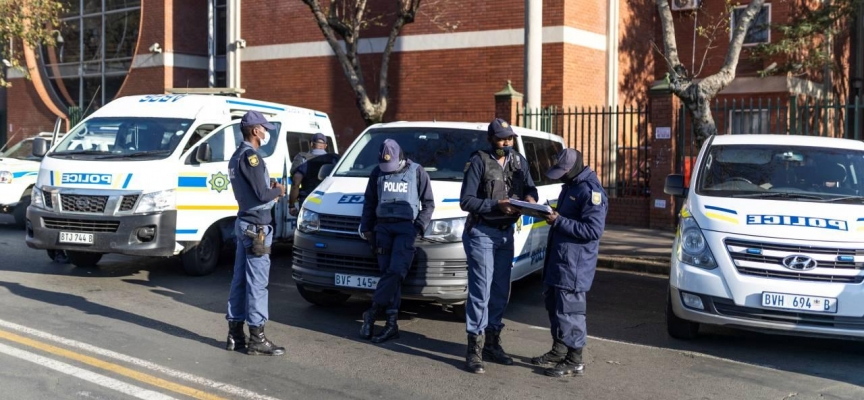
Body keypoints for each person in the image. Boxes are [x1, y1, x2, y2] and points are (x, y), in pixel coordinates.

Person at [459, 118, 537, 374]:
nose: (506, 143)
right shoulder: (479, 161)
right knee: (480, 291)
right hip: (482, 231)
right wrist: (496, 205)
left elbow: (531, 188)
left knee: (501, 290)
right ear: (490, 139)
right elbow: (466, 201)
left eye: (509, 138)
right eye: (501, 138)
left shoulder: (519, 161)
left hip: (506, 234)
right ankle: (475, 348)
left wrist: (530, 199)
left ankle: (492, 342)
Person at [530, 148, 607, 377]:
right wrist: (553, 215)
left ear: (575, 167)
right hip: (559, 259)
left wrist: (558, 221)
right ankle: (559, 350)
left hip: (574, 264)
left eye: (564, 172)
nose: (561, 176)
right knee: (554, 306)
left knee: (570, 311)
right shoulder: (571, 185)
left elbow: (593, 230)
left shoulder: (590, 191)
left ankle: (574, 359)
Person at [359, 139, 435, 343]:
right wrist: (367, 229)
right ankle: (391, 324)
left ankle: (372, 313)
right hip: (382, 229)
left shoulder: (417, 171)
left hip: (405, 229)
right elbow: (370, 202)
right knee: (388, 274)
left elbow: (428, 204)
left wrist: (418, 227)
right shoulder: (377, 172)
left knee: (396, 272)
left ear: (400, 157)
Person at [225, 110, 287, 356]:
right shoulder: (252, 157)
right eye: (264, 129)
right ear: (255, 130)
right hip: (257, 227)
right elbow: (262, 195)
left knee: (240, 280)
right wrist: (279, 191)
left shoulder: (236, 156)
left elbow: (252, 192)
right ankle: (257, 339)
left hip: (244, 223)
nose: (266, 133)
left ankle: (235, 335)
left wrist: (268, 192)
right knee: (257, 284)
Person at [288, 133, 340, 216]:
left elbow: (295, 183)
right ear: (325, 146)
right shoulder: (334, 159)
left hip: (308, 201)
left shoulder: (302, 158)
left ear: (311, 144)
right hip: (329, 200)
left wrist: (291, 205)